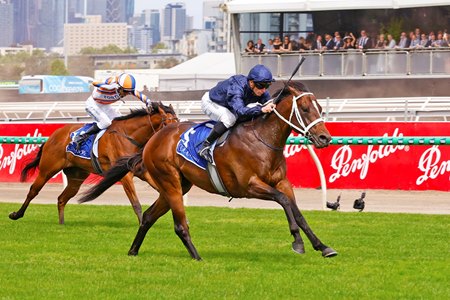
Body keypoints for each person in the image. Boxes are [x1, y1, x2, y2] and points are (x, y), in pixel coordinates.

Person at [197, 64, 277, 163]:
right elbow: (240, 111)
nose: (264, 90)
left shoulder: (260, 89)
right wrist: (261, 109)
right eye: (261, 86)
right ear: (251, 82)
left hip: (228, 105)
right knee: (230, 119)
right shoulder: (236, 88)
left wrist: (272, 104)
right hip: (211, 102)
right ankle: (205, 145)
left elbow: (269, 103)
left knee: (251, 110)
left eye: (267, 86)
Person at [73, 73, 150, 147]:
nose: (127, 94)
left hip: (105, 106)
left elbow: (140, 95)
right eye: (125, 91)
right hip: (92, 104)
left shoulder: (126, 88)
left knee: (121, 122)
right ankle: (82, 136)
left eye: (129, 92)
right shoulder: (111, 81)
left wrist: (148, 102)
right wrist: (109, 87)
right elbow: (94, 82)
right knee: (106, 122)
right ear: (118, 87)